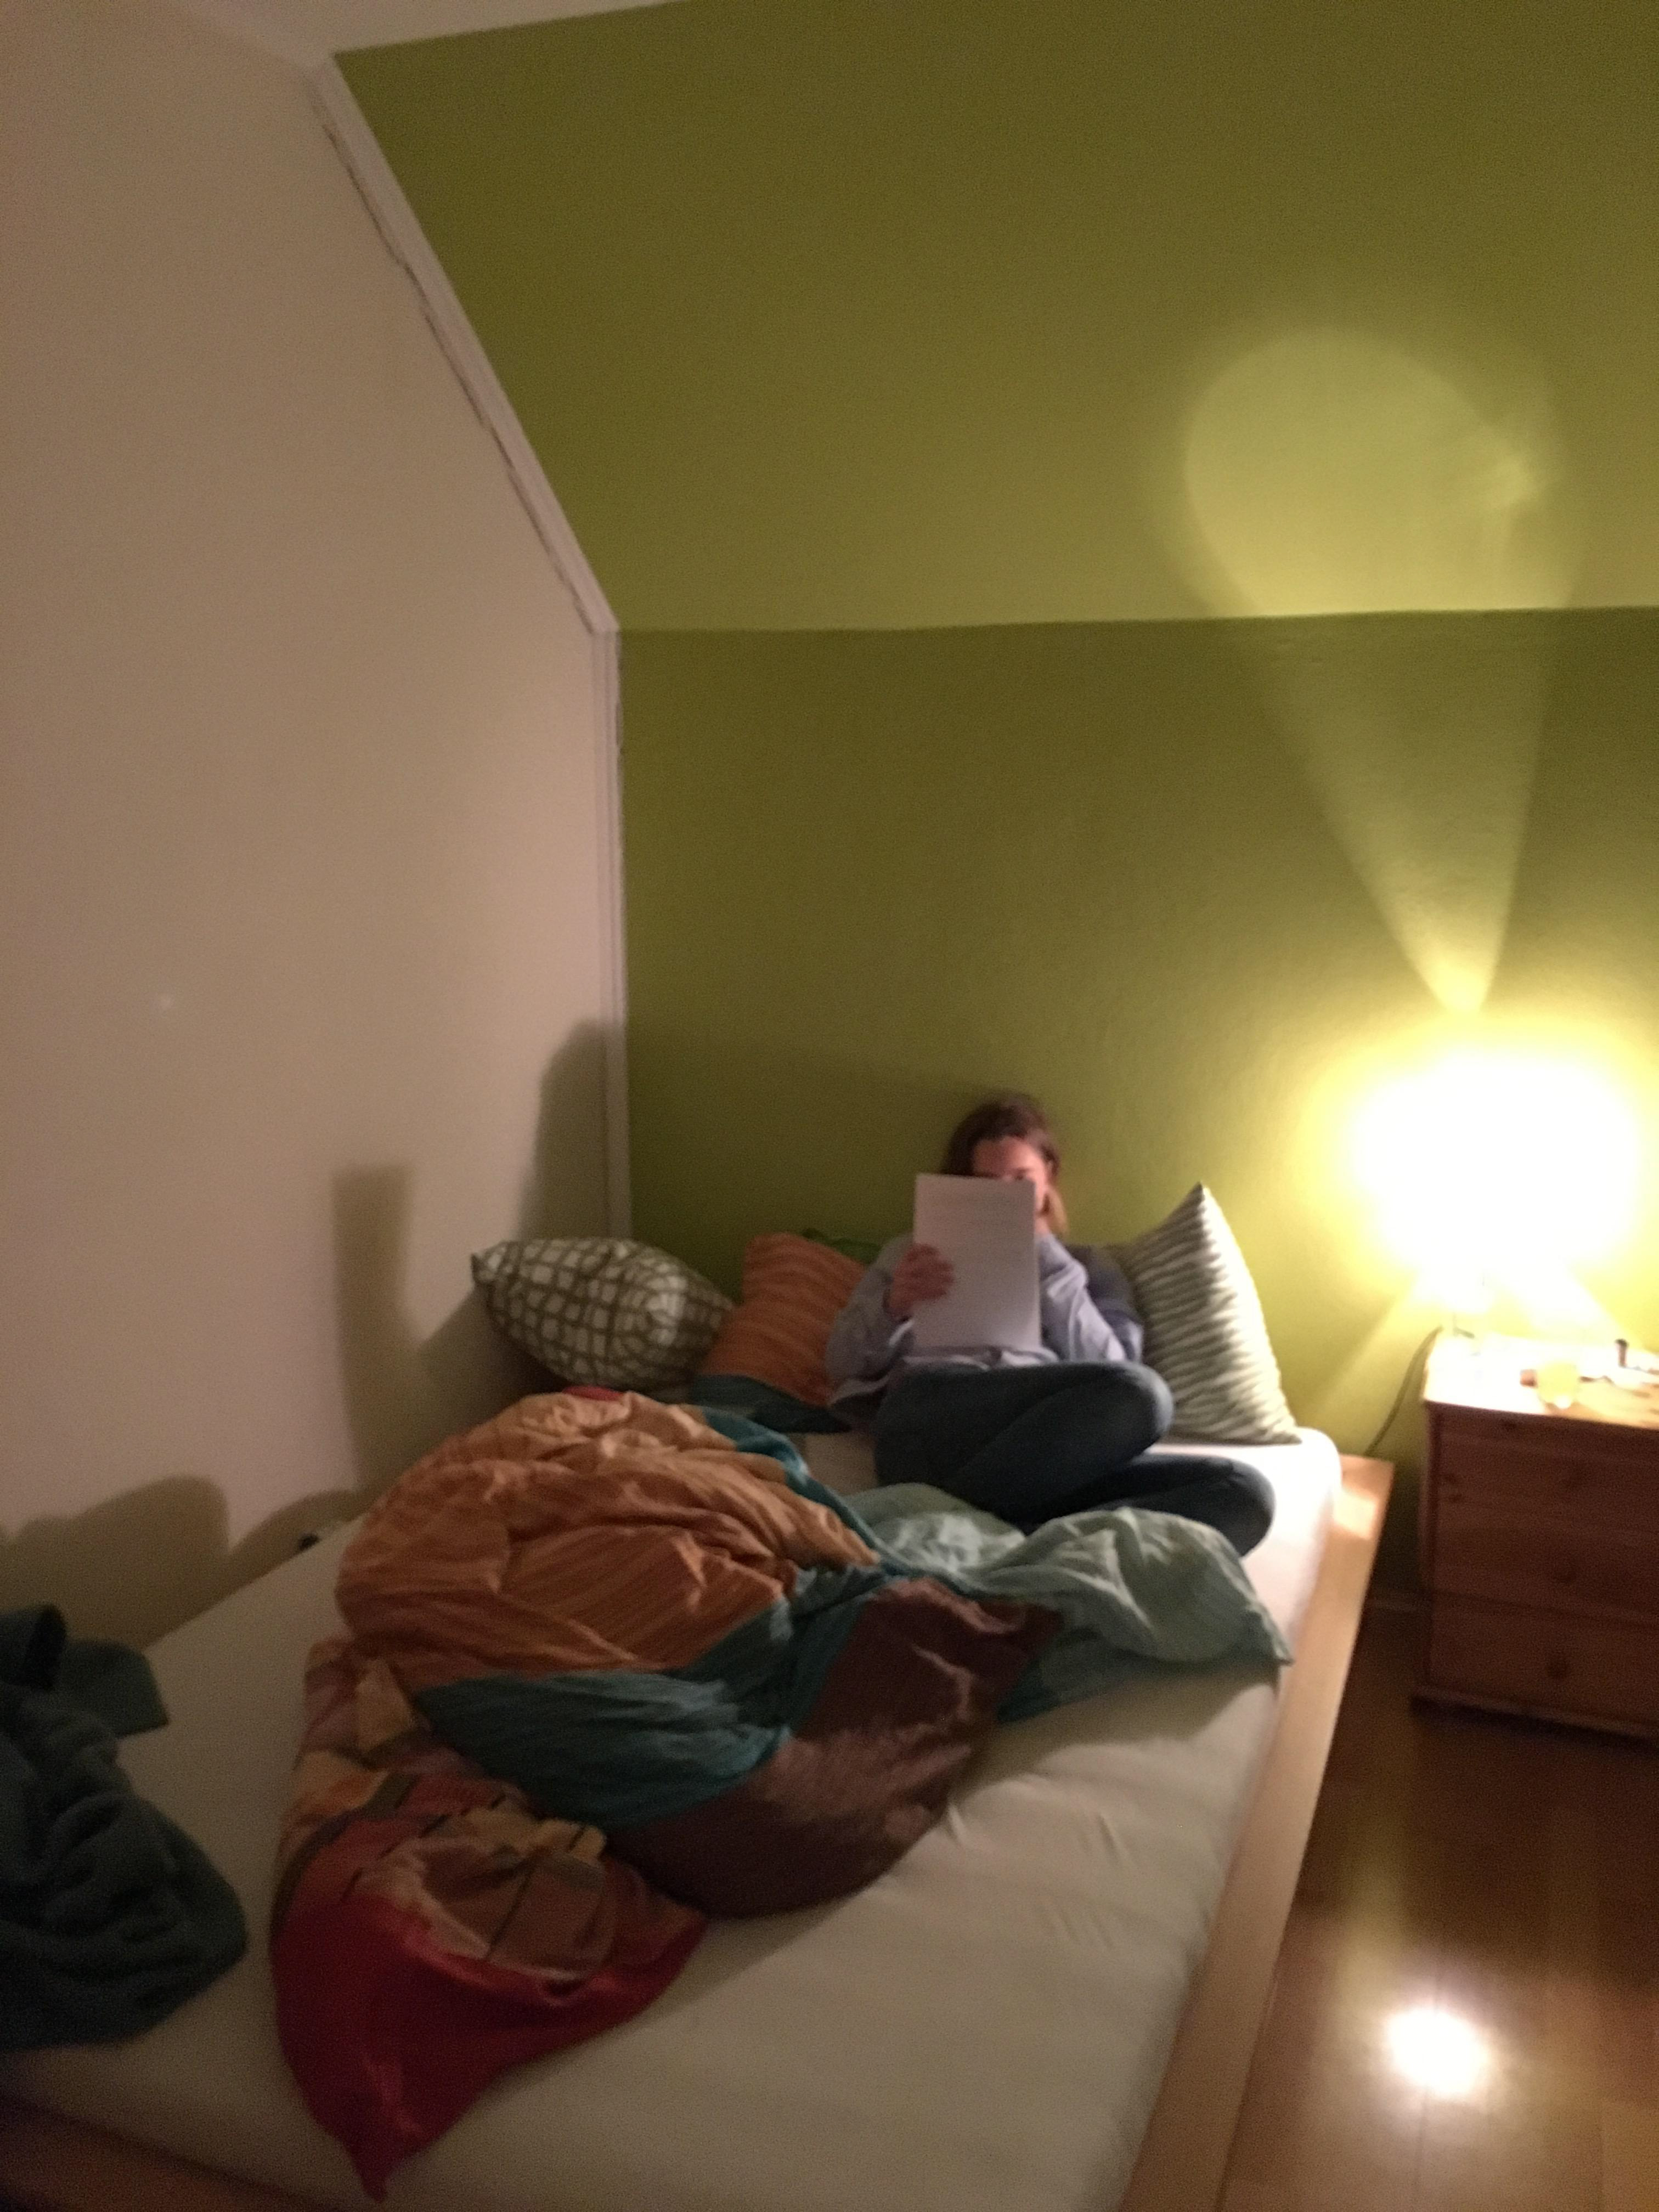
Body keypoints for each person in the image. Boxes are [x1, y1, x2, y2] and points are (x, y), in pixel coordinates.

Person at [824, 1095, 1274, 1555]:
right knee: (1145, 1395)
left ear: (1048, 1180)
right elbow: (841, 1363)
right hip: (936, 1415)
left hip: (1051, 1444)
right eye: (987, 1186)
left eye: (1020, 1182)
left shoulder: (1087, 1268)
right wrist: (895, 1304)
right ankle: (1026, 1528)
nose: (1005, 1199)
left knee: (1242, 1492)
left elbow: (1116, 1373)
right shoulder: (911, 1253)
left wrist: (1048, 1262)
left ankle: (996, 1526)